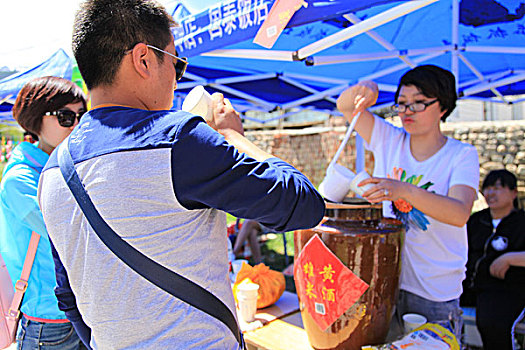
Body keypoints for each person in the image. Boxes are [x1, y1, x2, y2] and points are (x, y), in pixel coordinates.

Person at [37, 1, 325, 349]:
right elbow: (304, 203)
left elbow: (68, 297)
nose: (177, 78)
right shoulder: (176, 139)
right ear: (144, 60)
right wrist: (233, 136)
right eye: (177, 63)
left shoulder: (52, 172)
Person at [336, 65, 479, 340]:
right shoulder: (389, 139)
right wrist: (368, 86)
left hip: (435, 290)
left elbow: (459, 212)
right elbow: (344, 105)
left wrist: (405, 191)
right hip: (388, 279)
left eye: (418, 103)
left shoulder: (461, 155)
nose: (407, 111)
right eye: (401, 104)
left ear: (443, 108)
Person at [0, 76, 87, 349]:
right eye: (65, 116)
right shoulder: (20, 179)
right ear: (36, 119)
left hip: (83, 313)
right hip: (48, 324)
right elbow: (70, 229)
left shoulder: (67, 164)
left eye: (81, 116)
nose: (75, 125)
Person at [462, 169, 525, 349]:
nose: (490, 193)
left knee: (494, 324)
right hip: (469, 285)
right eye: (487, 188)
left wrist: (509, 258)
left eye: (497, 188)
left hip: (505, 289)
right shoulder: (476, 221)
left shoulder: (521, 222)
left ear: (513, 193)